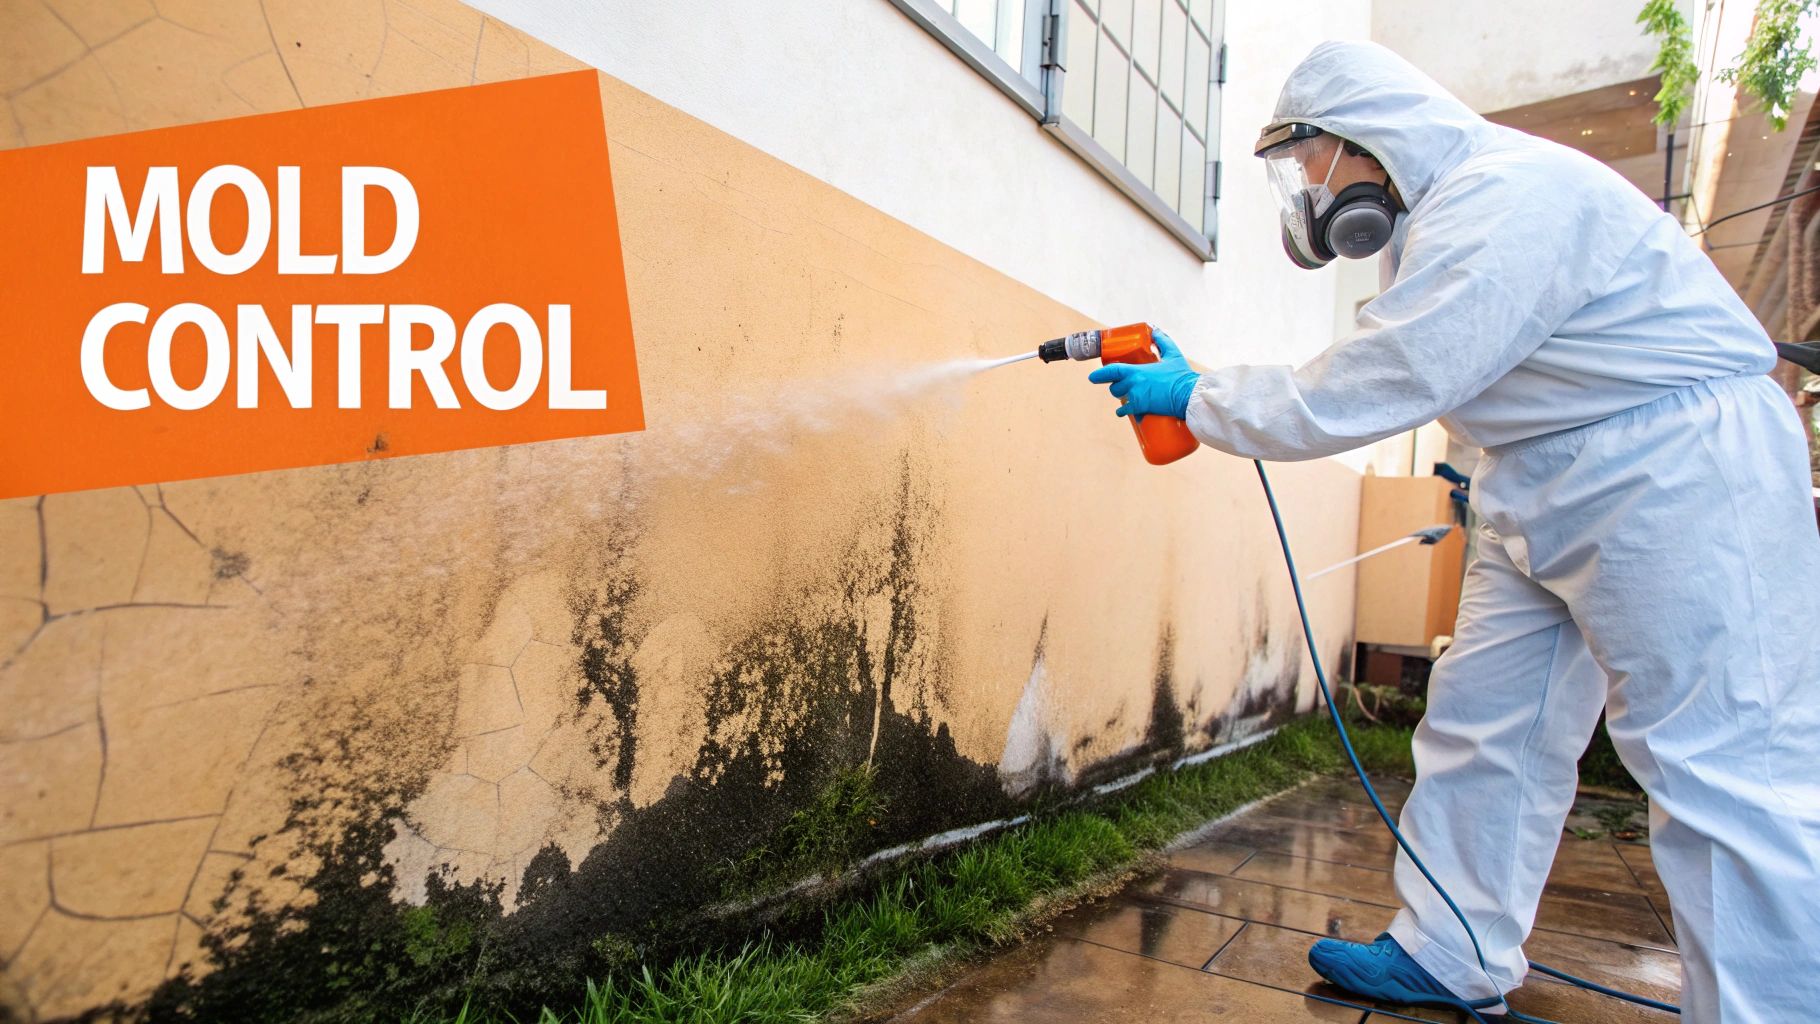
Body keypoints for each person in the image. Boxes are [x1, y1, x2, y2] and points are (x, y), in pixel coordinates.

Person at [1091, 40, 1820, 1023]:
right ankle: (1451, 950)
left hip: (1674, 473)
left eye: (1308, 163)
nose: (1308, 191)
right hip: (1538, 479)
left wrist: (1198, 396)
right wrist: (1207, 392)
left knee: (1721, 762)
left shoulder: (1503, 192)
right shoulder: (1435, 221)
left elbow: (1389, 374)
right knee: (1485, 722)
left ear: (1366, 140)